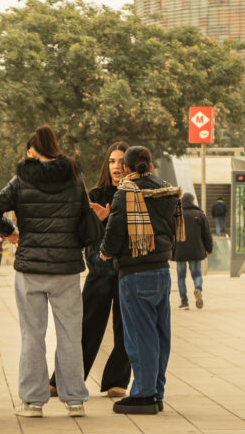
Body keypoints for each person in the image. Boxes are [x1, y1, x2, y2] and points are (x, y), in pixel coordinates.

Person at [0, 125, 89, 418]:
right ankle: (75, 400)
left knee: (32, 334)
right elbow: (84, 215)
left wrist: (9, 232)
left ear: (32, 151)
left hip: (30, 268)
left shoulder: (22, 179)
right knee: (70, 334)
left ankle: (32, 402)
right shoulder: (74, 176)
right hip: (66, 268)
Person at [99, 146, 182, 415]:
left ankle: (144, 395)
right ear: (151, 165)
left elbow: (115, 232)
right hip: (161, 271)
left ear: (126, 168)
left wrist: (105, 251)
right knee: (160, 335)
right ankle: (156, 392)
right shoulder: (166, 189)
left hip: (135, 272)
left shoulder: (126, 192)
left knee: (139, 335)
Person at [49, 141, 131, 399]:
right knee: (84, 328)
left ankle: (117, 381)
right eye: (112, 161)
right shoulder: (94, 195)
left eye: (122, 161)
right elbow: (81, 234)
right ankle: (62, 379)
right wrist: (98, 221)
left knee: (126, 329)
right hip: (99, 271)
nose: (116, 166)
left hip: (128, 272)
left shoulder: (136, 195)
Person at [174, 193, 213, 310]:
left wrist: (170, 251)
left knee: (181, 276)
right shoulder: (199, 214)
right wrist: (209, 248)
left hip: (180, 250)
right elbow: (206, 233)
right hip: (196, 250)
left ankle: (184, 302)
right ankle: (198, 288)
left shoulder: (177, 214)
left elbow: (171, 234)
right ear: (192, 201)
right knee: (197, 274)